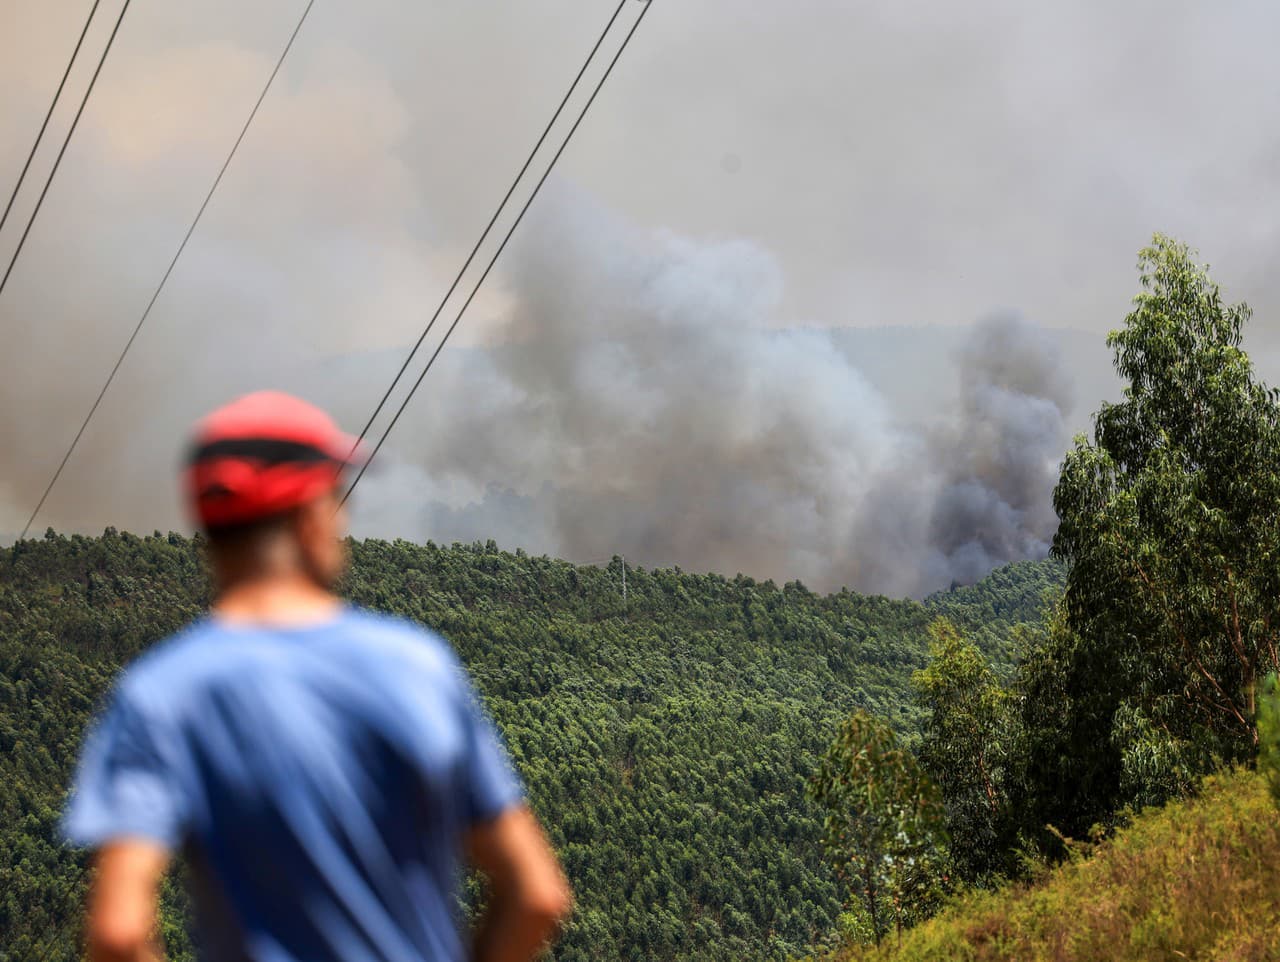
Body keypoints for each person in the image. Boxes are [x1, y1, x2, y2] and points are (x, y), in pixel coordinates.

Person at [63, 391, 571, 962]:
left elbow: (118, 931)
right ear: (310, 517)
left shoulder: (159, 693)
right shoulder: (417, 665)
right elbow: (536, 895)